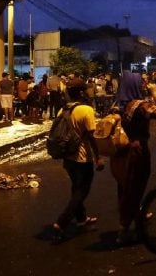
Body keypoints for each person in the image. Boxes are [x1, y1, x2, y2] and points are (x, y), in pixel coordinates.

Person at [111, 70, 156, 245]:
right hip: (137, 151)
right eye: (140, 82)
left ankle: (134, 217)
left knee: (125, 187)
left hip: (120, 153)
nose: (143, 84)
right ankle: (124, 230)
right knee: (135, 187)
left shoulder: (117, 104)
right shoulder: (140, 105)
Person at [52, 78, 99, 236]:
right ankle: (62, 221)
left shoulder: (62, 110)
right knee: (82, 191)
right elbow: (92, 137)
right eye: (85, 90)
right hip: (82, 158)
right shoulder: (86, 110)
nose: (87, 92)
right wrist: (98, 158)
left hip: (67, 157)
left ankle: (82, 220)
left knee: (76, 188)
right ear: (80, 93)